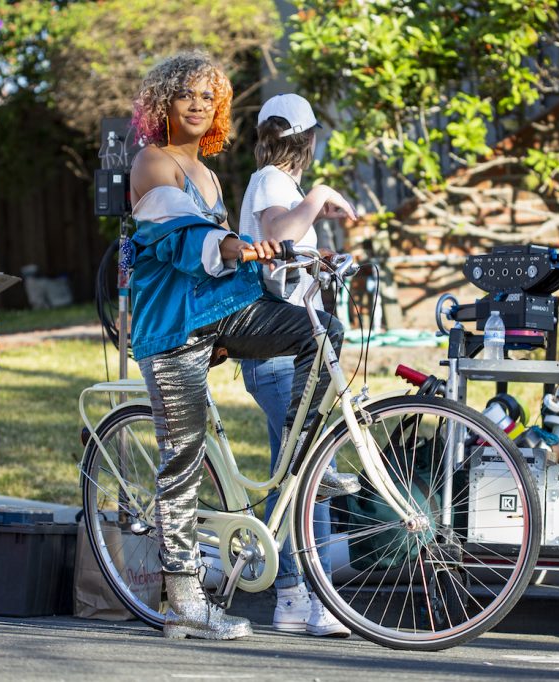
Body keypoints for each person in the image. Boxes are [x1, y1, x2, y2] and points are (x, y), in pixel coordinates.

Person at [128, 52, 357, 641]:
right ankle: (184, 602)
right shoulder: (152, 163)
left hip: (218, 317)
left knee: (320, 331)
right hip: (174, 328)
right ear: (164, 105)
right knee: (182, 457)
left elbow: (228, 255)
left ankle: (308, 463)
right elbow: (184, 238)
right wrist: (235, 248)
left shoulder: (207, 174)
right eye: (187, 95)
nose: (200, 104)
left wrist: (293, 257)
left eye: (210, 96)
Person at [237, 94, 358, 637]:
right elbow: (275, 236)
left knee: (300, 475)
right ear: (309, 141)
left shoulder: (279, 187)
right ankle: (311, 596)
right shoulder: (269, 182)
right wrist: (320, 197)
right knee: (312, 470)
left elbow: (287, 254)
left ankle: (293, 595)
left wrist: (323, 261)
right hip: (280, 353)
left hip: (292, 349)